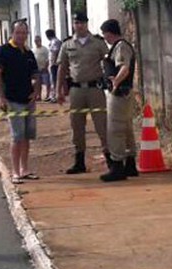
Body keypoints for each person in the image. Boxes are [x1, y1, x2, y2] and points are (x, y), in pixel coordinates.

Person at [57, 12, 109, 174]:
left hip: (95, 89)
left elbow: (108, 62)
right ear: (73, 24)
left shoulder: (98, 43)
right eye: (76, 22)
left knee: (102, 125)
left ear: (87, 24)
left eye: (82, 22)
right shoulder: (67, 44)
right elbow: (62, 67)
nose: (79, 25)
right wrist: (58, 89)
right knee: (77, 126)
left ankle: (111, 160)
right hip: (76, 90)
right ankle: (79, 161)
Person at [0, 20, 41, 184]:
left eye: (24, 33)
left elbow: (36, 74)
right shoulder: (4, 51)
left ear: (27, 34)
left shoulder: (28, 52)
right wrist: (1, 97)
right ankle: (15, 172)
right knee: (17, 137)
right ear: (12, 33)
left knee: (27, 136)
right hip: (12, 100)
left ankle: (24, 169)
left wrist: (36, 91)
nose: (21, 36)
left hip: (28, 100)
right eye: (18, 32)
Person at [98, 19, 138, 181]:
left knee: (115, 130)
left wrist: (115, 82)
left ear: (109, 33)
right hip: (123, 93)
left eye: (104, 34)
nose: (104, 38)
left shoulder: (121, 46)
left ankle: (117, 165)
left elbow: (124, 68)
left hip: (119, 94)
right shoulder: (120, 46)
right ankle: (130, 164)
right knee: (126, 129)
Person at [32, 35, 51, 101]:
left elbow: (48, 58)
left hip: (44, 69)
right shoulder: (33, 50)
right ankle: (39, 96)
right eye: (35, 41)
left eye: (38, 40)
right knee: (38, 84)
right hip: (37, 69)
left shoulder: (45, 49)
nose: (36, 42)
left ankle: (48, 95)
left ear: (40, 41)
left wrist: (46, 66)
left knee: (47, 82)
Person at [45, 29, 61, 102]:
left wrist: (54, 62)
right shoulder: (52, 42)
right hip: (52, 63)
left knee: (54, 80)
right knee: (52, 80)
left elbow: (56, 52)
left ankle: (55, 96)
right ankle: (52, 95)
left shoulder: (55, 41)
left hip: (54, 64)